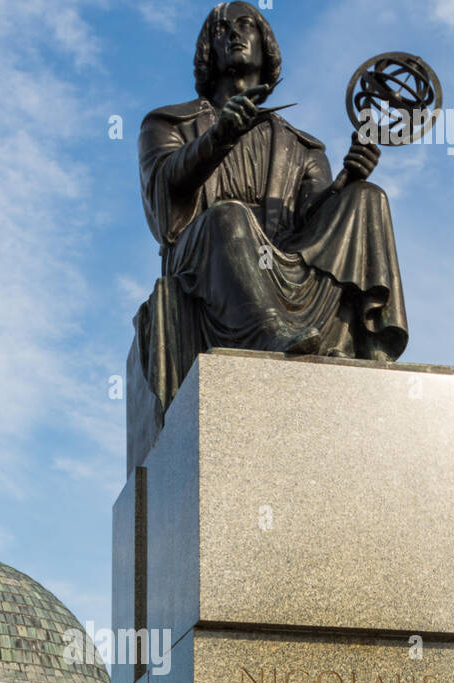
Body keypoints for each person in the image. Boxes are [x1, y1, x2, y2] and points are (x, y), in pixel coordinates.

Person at [131, 2, 408, 430]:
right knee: (230, 217)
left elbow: (312, 222)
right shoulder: (168, 123)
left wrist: (345, 181)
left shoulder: (303, 146)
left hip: (284, 261)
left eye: (247, 25)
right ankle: (268, 333)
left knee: (367, 197)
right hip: (208, 261)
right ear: (210, 51)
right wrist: (219, 137)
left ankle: (371, 342)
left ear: (266, 45)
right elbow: (164, 195)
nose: (234, 34)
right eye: (221, 30)